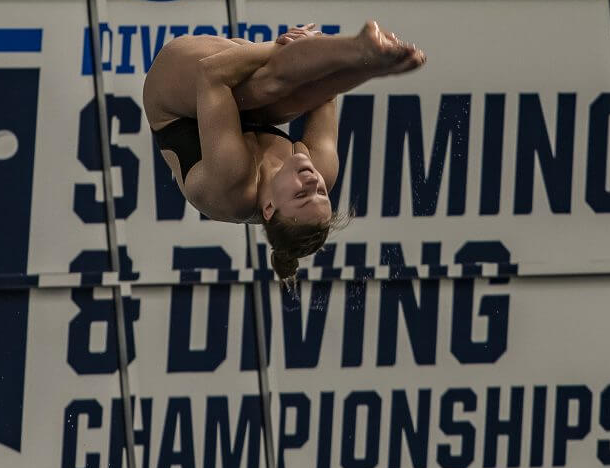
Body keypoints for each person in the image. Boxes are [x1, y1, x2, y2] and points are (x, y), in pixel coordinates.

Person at [142, 20, 425, 283]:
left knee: (266, 85)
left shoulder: (233, 182)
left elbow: (211, 74)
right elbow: (325, 91)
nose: (314, 182)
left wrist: (277, 47)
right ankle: (372, 59)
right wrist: (368, 67)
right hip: (239, 108)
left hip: (174, 101)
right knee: (301, 91)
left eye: (301, 194)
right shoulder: (320, 170)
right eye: (322, 192)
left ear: (268, 208)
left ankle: (360, 47)